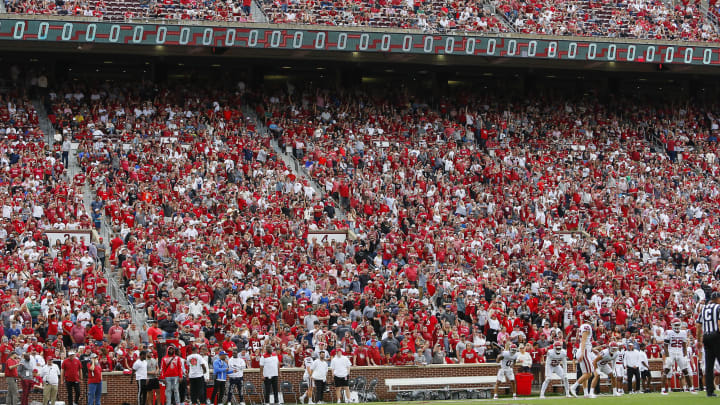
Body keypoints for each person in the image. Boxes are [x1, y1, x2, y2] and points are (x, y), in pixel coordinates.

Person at [698, 291, 720, 397]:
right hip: (716, 335)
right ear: (717, 299)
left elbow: (698, 324)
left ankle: (709, 391)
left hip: (706, 336)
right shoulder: (718, 308)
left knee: (709, 365)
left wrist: (699, 340)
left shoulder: (704, 308)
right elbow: (719, 323)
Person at [570, 311, 594, 397]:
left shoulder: (583, 326)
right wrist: (583, 353)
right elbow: (583, 340)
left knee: (585, 373)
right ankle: (573, 386)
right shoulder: (587, 326)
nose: (592, 317)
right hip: (585, 351)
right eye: (591, 316)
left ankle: (586, 393)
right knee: (589, 373)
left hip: (584, 350)